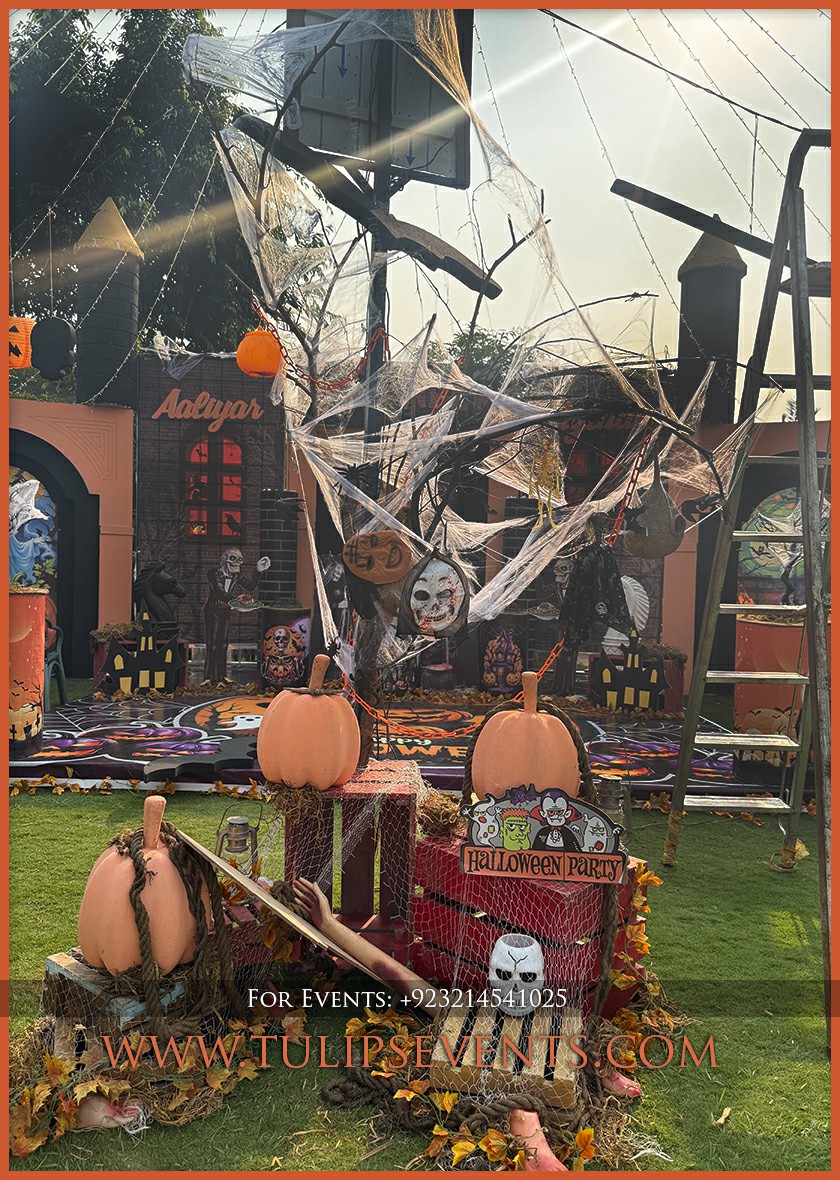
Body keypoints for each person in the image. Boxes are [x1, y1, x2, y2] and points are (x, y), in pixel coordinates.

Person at [203, 548, 270, 682]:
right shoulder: (213, 573)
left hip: (226, 611)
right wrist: (237, 601)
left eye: (240, 559)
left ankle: (221, 677)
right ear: (225, 560)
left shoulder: (235, 575)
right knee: (213, 645)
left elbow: (250, 586)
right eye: (233, 558)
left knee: (223, 645)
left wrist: (258, 570)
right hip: (213, 610)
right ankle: (209, 678)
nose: (237, 563)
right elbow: (219, 592)